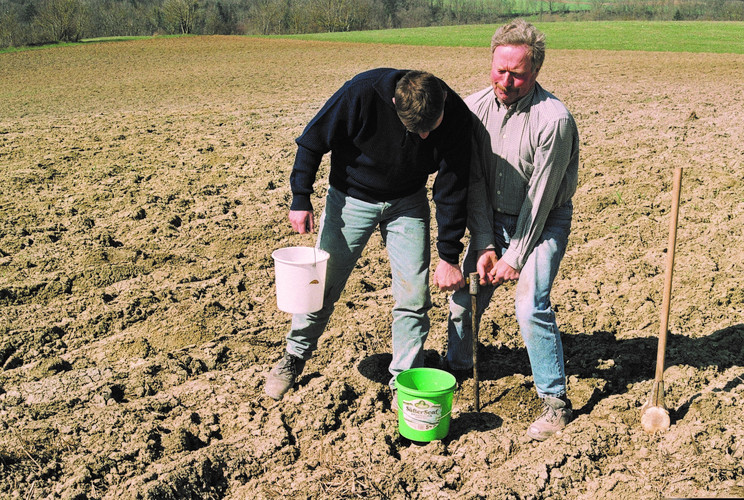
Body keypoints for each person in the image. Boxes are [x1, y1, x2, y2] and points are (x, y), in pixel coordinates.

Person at [265, 68, 472, 402]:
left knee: (414, 297)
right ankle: (294, 356)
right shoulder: (361, 93)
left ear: (443, 101)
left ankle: (405, 380)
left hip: (407, 202)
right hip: (351, 197)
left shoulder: (456, 117)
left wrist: (449, 255)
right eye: (413, 129)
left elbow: (452, 188)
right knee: (322, 286)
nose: (422, 138)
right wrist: (300, 196)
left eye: (428, 129)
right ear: (393, 103)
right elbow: (312, 141)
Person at [444, 19, 580, 441]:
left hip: (542, 223)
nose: (506, 80)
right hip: (491, 217)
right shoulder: (472, 109)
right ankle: (458, 366)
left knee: (530, 305)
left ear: (535, 71)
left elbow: (540, 199)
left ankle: (555, 403)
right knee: (463, 298)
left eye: (517, 73)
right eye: (500, 69)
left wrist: (514, 256)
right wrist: (484, 242)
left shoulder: (553, 120)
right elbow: (475, 181)